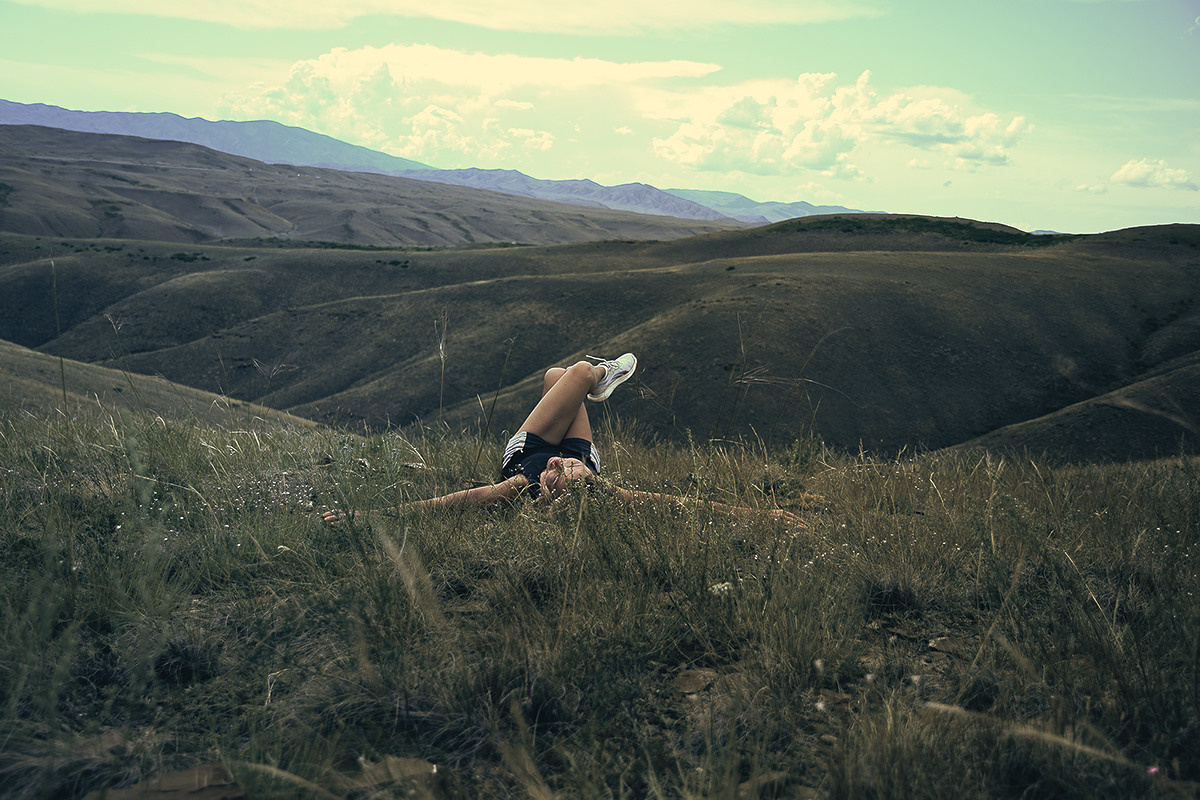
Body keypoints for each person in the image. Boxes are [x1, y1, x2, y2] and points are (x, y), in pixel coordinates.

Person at [321, 353, 802, 527]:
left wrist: (364, 517)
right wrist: (766, 517)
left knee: (567, 373)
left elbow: (449, 502)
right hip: (578, 447)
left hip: (529, 445)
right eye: (564, 478)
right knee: (555, 376)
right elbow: (680, 505)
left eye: (553, 479)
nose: (556, 473)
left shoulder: (522, 486)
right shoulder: (593, 483)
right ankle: (595, 380)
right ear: (582, 484)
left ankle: (597, 374)